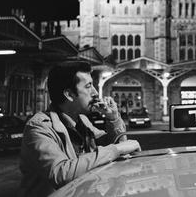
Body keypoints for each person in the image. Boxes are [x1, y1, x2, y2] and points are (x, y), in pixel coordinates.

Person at [18, 61, 141, 197]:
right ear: (69, 94)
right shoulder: (39, 127)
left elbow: (118, 150)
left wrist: (113, 119)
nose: (95, 92)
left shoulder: (83, 121)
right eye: (88, 86)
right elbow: (61, 174)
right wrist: (117, 149)